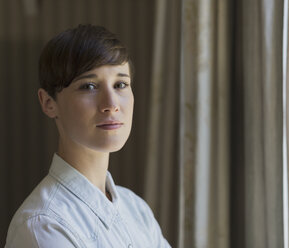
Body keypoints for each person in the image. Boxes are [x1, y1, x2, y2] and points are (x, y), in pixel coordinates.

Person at [5, 24, 171, 247]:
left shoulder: (136, 209)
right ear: (48, 103)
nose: (111, 105)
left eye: (120, 84)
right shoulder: (43, 225)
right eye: (89, 86)